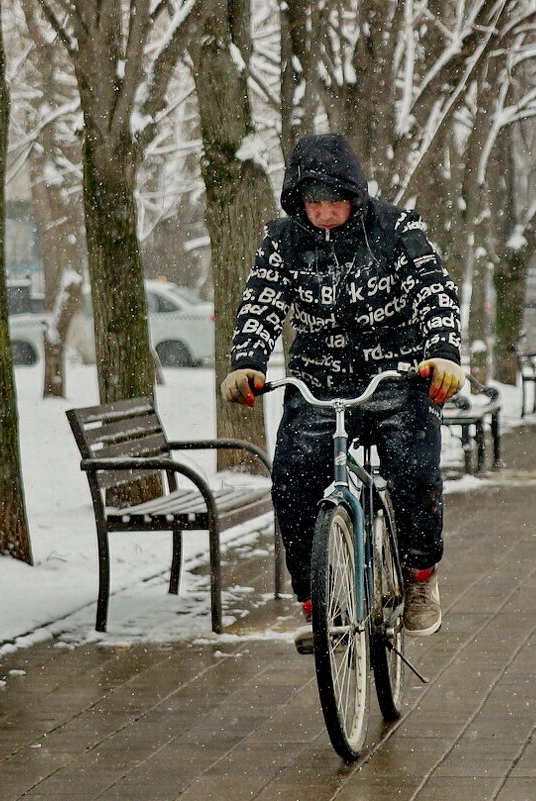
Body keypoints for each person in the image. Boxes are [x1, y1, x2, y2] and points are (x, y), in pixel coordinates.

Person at [219, 133, 464, 652]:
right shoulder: (282, 241)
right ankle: (316, 602)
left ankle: (420, 577)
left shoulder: (398, 229)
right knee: (292, 481)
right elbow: (262, 301)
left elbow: (433, 289)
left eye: (335, 203)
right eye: (314, 205)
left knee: (414, 470)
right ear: (298, 203)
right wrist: (247, 363)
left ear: (355, 197)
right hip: (316, 380)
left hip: (396, 376)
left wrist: (442, 351)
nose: (325, 215)